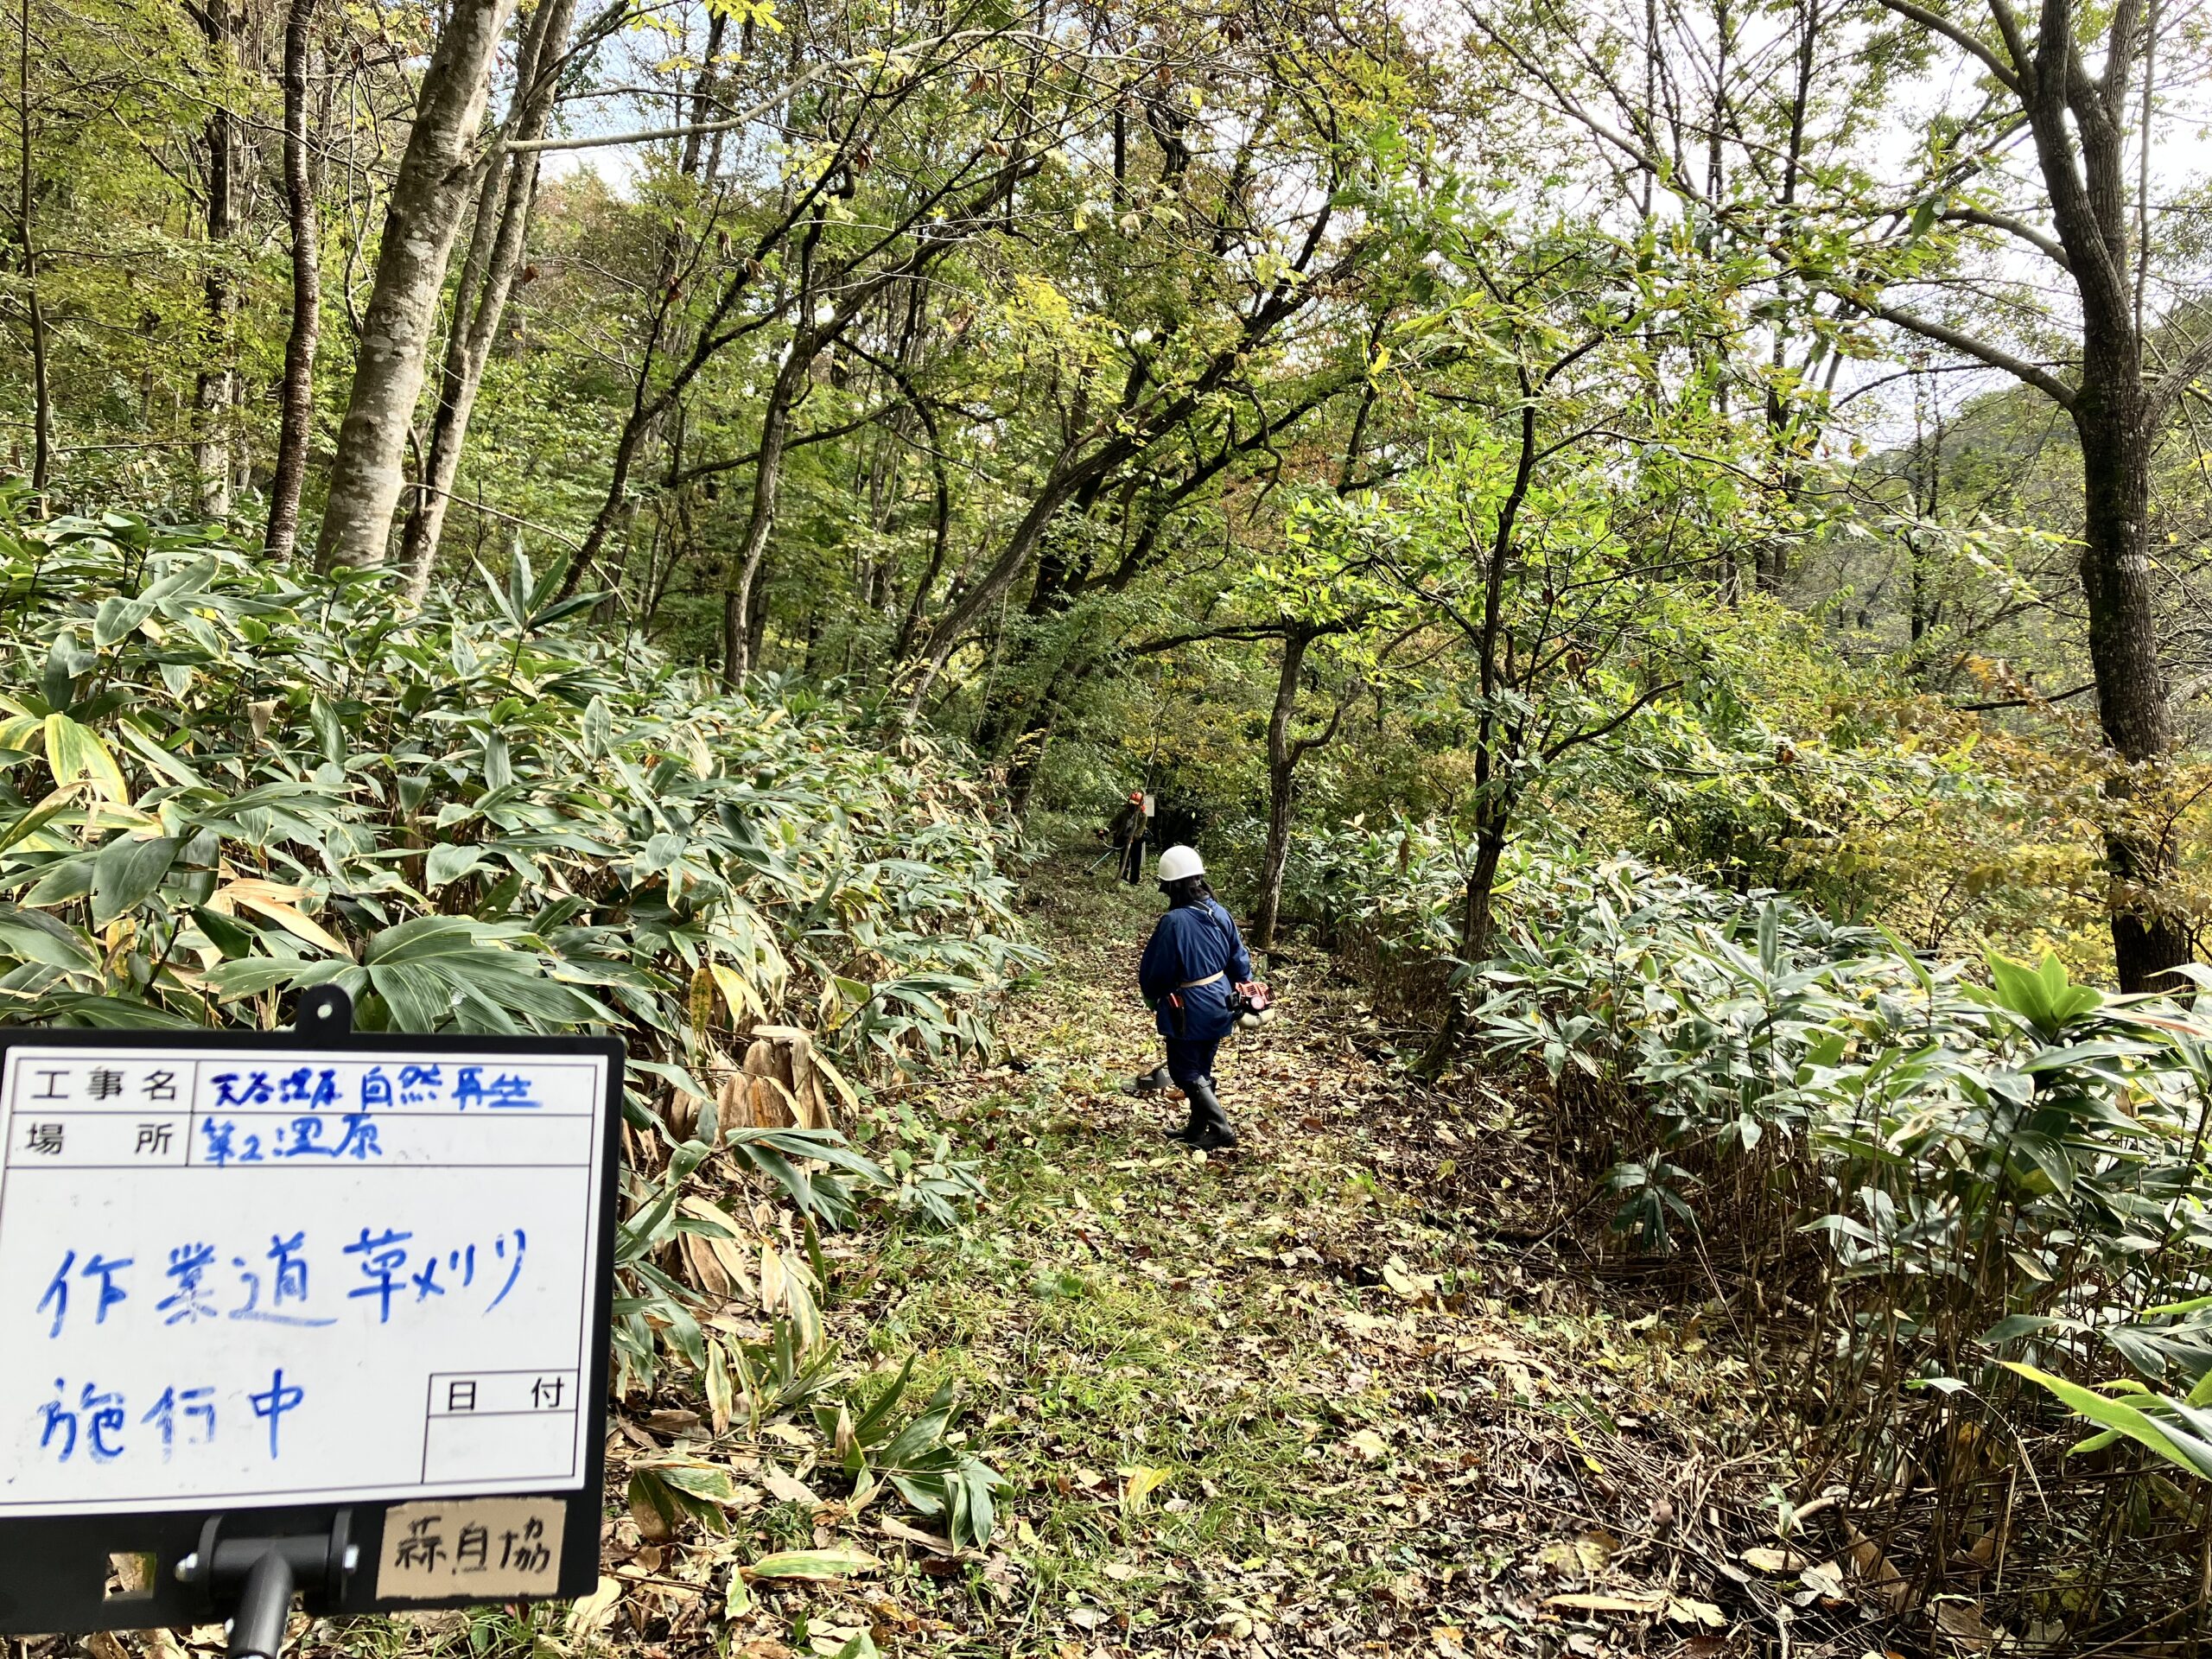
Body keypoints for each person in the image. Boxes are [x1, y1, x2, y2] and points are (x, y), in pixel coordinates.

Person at [1128, 844, 1250, 1150]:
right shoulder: (1220, 912)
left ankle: (1221, 1128)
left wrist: (1154, 994)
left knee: (1183, 1071)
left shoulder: (1174, 921)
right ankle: (1197, 1129)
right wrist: (1241, 988)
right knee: (1201, 1069)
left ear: (1172, 885)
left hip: (1190, 1006)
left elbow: (1157, 970)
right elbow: (1239, 961)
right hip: (1222, 1001)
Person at [1106, 790, 1147, 884]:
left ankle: (1134, 881)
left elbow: (1140, 830)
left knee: (1136, 861)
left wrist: (1134, 838)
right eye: (1132, 803)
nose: (1134, 806)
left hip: (1136, 842)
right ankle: (1122, 877)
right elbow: (1113, 823)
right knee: (1124, 859)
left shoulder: (1143, 816)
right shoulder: (1124, 813)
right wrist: (1106, 830)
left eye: (1136, 804)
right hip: (1124, 839)